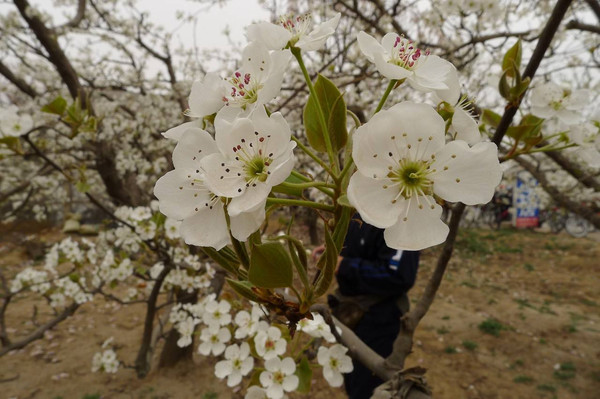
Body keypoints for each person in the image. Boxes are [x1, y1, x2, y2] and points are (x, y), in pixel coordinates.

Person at [321, 214, 420, 399]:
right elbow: (358, 247)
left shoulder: (402, 218)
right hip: (351, 316)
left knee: (369, 387)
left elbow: (398, 275)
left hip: (379, 320)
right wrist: (333, 255)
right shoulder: (357, 210)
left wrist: (345, 266)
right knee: (352, 378)